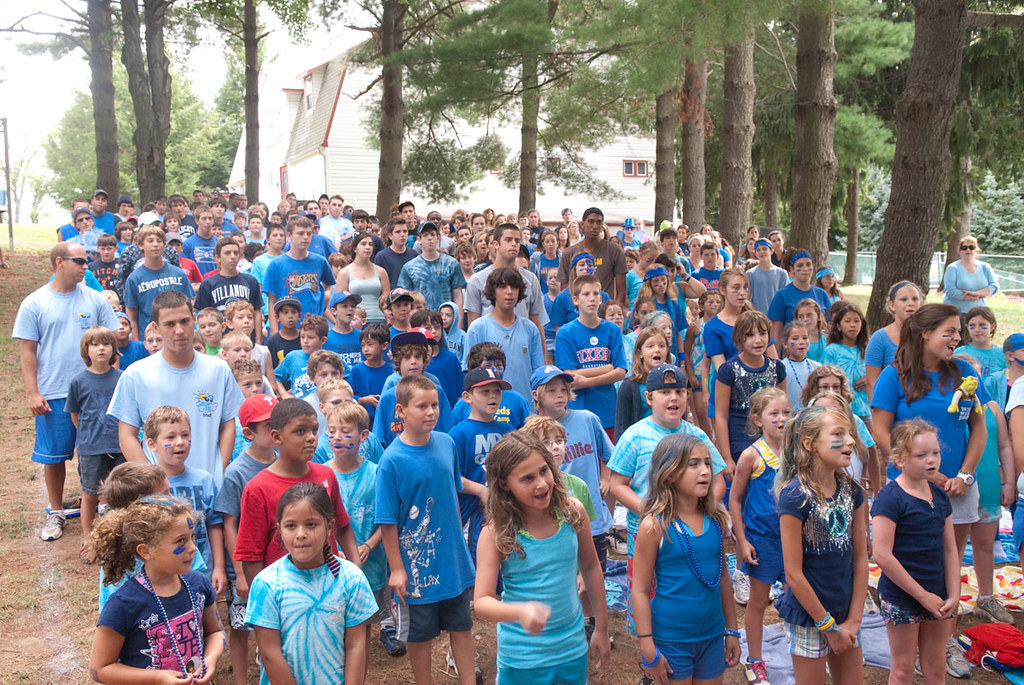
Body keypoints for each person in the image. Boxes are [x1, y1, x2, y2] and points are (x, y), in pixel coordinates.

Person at [474, 432, 611, 682]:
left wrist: (601, 627)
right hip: (523, 658)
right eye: (527, 478)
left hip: (572, 649)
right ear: (504, 484)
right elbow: (482, 601)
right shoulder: (496, 532)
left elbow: (591, 567)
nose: (541, 483)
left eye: (544, 471)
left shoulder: (572, 512)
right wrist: (520, 612)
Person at [375, 375, 477, 685]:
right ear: (401, 411)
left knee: (462, 626)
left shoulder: (447, 443)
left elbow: (452, 491)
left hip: (452, 560)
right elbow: (387, 520)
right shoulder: (391, 461)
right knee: (420, 635)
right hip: (415, 567)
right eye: (422, 406)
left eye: (434, 405)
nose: (430, 412)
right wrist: (396, 569)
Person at [13, 242, 120, 541]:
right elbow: (28, 352)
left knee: (104, 452)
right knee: (54, 456)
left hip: (96, 393)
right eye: (79, 261)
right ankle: (56, 511)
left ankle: (104, 505)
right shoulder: (34, 303)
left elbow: (113, 345)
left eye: (87, 261)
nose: (86, 266)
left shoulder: (96, 300)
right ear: (59, 262)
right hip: (54, 392)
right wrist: (33, 392)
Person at [631, 433, 741, 685]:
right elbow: (639, 590)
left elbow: (723, 578)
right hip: (672, 638)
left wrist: (732, 631)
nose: (704, 471)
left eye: (707, 463)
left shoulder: (716, 519)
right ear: (669, 473)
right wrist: (647, 645)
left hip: (712, 636)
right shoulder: (654, 526)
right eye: (693, 464)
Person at [245, 482, 377, 684]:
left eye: (311, 524)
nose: (300, 534)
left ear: (330, 527)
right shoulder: (267, 584)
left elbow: (356, 645)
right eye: (291, 526)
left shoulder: (351, 578)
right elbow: (270, 653)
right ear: (279, 529)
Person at [109, 290, 244, 486]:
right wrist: (151, 481)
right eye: (170, 324)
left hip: (210, 488)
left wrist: (218, 471)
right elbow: (127, 434)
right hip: (160, 492)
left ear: (194, 319)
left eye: (184, 321)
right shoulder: (137, 374)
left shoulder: (218, 370)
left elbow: (227, 425)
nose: (179, 330)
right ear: (156, 327)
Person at [775, 406, 868, 685]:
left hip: (846, 611)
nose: (851, 440)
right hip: (809, 616)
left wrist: (853, 621)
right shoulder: (794, 497)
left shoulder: (853, 491)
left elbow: (861, 560)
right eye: (839, 433)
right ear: (809, 443)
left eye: (850, 433)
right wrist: (828, 627)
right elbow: (793, 574)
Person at [89, 495, 224, 681]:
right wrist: (157, 679)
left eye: (192, 538)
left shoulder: (199, 584)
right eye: (180, 541)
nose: (192, 548)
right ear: (146, 551)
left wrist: (211, 657)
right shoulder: (123, 604)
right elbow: (100, 668)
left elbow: (214, 632)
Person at [871, 420, 959, 685]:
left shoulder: (940, 496)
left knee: (936, 666)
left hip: (939, 596)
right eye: (921, 455)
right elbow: (882, 555)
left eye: (935, 453)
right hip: (903, 597)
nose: (931, 460)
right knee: (903, 668)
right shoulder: (890, 498)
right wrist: (922, 596)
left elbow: (950, 548)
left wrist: (954, 593)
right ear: (899, 459)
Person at [728, 388, 791, 684]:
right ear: (758, 419)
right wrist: (742, 540)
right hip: (762, 542)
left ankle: (803, 649)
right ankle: (754, 659)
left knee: (798, 597)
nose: (781, 419)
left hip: (793, 542)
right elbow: (735, 501)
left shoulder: (797, 452)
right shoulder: (751, 455)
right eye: (774, 414)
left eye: (786, 413)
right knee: (758, 601)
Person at [213, 393, 277, 685]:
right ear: (249, 433)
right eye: (268, 425)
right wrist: (239, 571)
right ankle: (241, 680)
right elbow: (229, 523)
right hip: (247, 564)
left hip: (278, 561)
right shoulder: (237, 472)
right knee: (240, 627)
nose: (277, 428)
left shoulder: (285, 459)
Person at [65, 326, 124, 556]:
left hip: (119, 446)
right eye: (95, 344)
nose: (101, 348)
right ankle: (90, 542)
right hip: (91, 447)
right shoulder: (78, 382)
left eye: (106, 344)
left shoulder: (122, 378)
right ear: (86, 350)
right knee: (89, 494)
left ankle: (121, 539)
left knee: (120, 495)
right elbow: (75, 414)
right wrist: (91, 436)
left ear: (113, 349)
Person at [449, 367, 515, 562]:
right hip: (475, 514)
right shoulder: (457, 434)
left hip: (506, 509)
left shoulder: (508, 430)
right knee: (480, 565)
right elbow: (453, 477)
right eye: (484, 392)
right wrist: (481, 491)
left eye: (497, 391)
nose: (492, 396)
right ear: (467, 397)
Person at [714, 310, 786, 480]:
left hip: (773, 438)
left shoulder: (777, 368)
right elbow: (721, 416)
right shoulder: (728, 370)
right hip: (740, 440)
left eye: (762, 333)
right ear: (740, 338)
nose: (758, 340)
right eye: (750, 335)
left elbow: (784, 410)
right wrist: (726, 458)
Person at [555, 274, 627, 437]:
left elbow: (621, 372)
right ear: (575, 300)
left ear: (601, 298)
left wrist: (587, 381)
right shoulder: (566, 332)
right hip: (578, 410)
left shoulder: (612, 330)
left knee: (607, 460)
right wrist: (607, 368)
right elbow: (568, 374)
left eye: (596, 294)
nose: (592, 298)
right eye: (586, 294)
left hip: (608, 411)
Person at [464, 267, 545, 403]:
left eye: (514, 287)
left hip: (525, 410)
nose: (509, 292)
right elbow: (470, 375)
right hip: (489, 411)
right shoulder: (477, 328)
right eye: (502, 287)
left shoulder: (530, 328)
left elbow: (538, 372)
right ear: (493, 292)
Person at [465, 223, 549, 351]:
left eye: (517, 240)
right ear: (496, 244)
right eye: (508, 240)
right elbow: (473, 328)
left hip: (523, 353)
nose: (514, 244)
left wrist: (543, 364)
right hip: (489, 355)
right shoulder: (477, 280)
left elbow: (537, 324)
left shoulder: (531, 279)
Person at [124, 225, 195, 340]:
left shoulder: (178, 273)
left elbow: (190, 307)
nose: (155, 244)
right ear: (141, 245)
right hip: (151, 339)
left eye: (159, 241)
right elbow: (131, 316)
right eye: (150, 241)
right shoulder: (134, 279)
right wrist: (138, 343)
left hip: (178, 335)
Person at [864, 281, 922, 401]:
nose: (910, 303)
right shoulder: (879, 338)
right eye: (904, 299)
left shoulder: (929, 335)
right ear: (892, 305)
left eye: (915, 299)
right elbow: (872, 383)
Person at [557, 207, 628, 304]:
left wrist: (614, 311)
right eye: (591, 222)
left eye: (598, 222)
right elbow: (564, 287)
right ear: (582, 224)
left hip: (604, 309)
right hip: (576, 311)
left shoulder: (614, 250)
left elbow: (621, 291)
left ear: (602, 226)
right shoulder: (569, 253)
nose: (594, 226)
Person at [194, 238, 264, 333]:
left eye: (236, 253)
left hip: (246, 340)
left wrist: (258, 342)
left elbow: (257, 312)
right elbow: (204, 316)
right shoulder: (208, 284)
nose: (232, 256)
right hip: (219, 340)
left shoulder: (250, 281)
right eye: (227, 253)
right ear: (217, 258)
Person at [768, 249, 833, 346]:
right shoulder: (781, 295)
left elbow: (830, 326)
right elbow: (776, 333)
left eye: (808, 265)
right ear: (792, 269)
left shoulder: (821, 294)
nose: (805, 269)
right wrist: (777, 359)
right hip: (792, 352)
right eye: (800, 266)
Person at [614, 327, 670, 440]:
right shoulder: (628, 386)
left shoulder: (675, 383)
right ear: (640, 353)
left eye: (662, 346)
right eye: (650, 346)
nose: (657, 350)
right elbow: (621, 430)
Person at [397, 222, 466, 311]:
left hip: (445, 318)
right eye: (425, 235)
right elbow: (404, 298)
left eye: (432, 234)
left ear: (438, 238)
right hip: (419, 319)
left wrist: (458, 322)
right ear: (419, 239)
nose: (429, 238)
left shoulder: (451, 264)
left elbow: (458, 295)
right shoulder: (409, 267)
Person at [823, 301, 871, 427]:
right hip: (840, 409)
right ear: (838, 326)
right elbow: (823, 377)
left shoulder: (869, 349)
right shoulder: (832, 350)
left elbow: (881, 372)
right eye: (847, 321)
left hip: (866, 408)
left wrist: (869, 379)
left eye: (856, 321)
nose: (852, 325)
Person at [337, 232, 390, 324]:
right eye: (363, 244)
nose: (367, 247)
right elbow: (341, 302)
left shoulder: (381, 272)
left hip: (379, 319)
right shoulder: (344, 273)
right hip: (355, 321)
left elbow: (387, 300)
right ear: (355, 248)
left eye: (370, 244)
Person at [349, 323, 392, 427]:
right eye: (363, 345)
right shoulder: (357, 370)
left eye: (370, 344)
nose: (366, 349)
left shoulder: (392, 370)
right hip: (362, 422)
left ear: (384, 345)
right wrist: (364, 400)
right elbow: (348, 396)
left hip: (387, 420)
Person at [942, 235, 999, 313]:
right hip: (956, 312)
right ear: (960, 251)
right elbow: (949, 290)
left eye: (972, 247)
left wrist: (976, 294)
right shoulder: (953, 268)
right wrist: (966, 296)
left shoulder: (985, 267)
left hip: (979, 312)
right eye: (964, 248)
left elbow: (994, 286)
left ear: (976, 250)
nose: (968, 250)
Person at [780, 322, 822, 411]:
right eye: (795, 339)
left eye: (805, 338)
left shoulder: (817, 367)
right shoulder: (781, 367)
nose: (801, 342)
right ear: (785, 344)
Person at [324, 290, 365, 373]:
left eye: (353, 306)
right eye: (345, 306)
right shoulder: (325, 339)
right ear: (334, 311)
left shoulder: (362, 336)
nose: (350, 309)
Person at [747, 239, 789, 314]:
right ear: (755, 253)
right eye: (758, 250)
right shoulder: (750, 274)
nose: (761, 252)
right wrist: (757, 315)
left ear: (772, 251)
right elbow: (747, 299)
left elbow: (785, 298)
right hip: (757, 319)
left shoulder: (781, 273)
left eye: (764, 249)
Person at [374, 218, 417, 287]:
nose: (402, 234)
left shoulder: (414, 255)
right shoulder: (381, 257)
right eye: (398, 232)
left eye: (405, 231)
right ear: (390, 236)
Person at [182, 205, 219, 276]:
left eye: (210, 218)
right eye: (204, 219)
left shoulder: (219, 243)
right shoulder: (187, 244)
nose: (208, 222)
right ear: (196, 221)